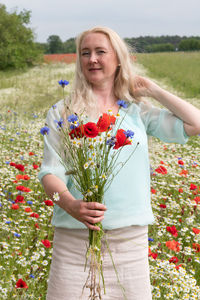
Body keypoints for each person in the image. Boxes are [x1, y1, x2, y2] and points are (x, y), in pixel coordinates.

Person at [38, 26, 200, 300]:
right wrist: (71, 205)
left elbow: (195, 123)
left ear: (118, 59)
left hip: (129, 243)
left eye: (101, 52)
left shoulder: (137, 110)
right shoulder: (63, 111)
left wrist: (152, 89)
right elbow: (49, 173)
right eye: (85, 53)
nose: (92, 59)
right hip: (74, 242)